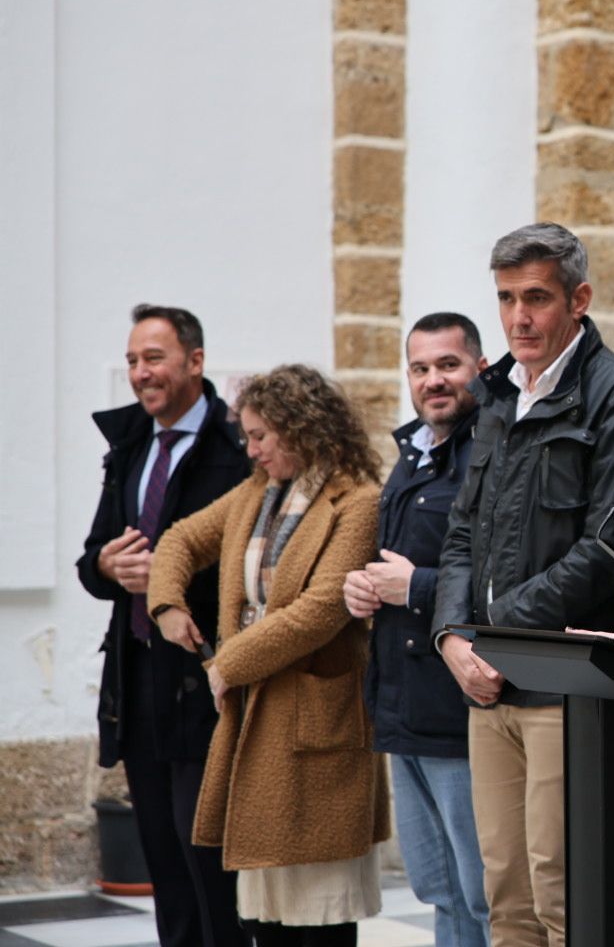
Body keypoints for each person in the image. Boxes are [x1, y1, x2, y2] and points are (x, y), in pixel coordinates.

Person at [146, 364, 388, 947]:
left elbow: (323, 608)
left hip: (315, 725)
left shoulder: (356, 499)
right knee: (264, 918)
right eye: (247, 436)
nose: (250, 450)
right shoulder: (257, 493)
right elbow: (180, 538)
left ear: (300, 428)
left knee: (322, 916)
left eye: (260, 436)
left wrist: (227, 663)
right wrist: (166, 605)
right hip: (255, 724)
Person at [431, 223, 614, 947]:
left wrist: (497, 635)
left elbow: (605, 551)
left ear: (579, 299)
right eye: (507, 298)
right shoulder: (497, 395)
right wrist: (452, 635)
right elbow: (461, 535)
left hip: (561, 687)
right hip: (488, 683)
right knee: (504, 895)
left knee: (562, 894)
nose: (519, 317)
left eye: (537, 298)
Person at [78, 305, 251, 947]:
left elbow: (243, 564)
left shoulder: (237, 447)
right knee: (165, 865)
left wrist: (172, 582)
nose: (140, 374)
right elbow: (93, 560)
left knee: (210, 860)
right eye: (131, 361)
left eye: (153, 358)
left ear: (195, 362)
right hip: (138, 678)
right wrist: (106, 564)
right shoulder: (127, 446)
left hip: (205, 677)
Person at [343, 313, 490, 947]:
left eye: (448, 365)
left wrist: (418, 588)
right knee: (437, 887)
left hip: (459, 710)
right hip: (403, 706)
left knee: (482, 890)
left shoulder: (490, 453)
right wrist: (364, 590)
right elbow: (397, 562)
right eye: (421, 368)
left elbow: (504, 575)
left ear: (479, 369)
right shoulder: (412, 455)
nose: (434, 380)